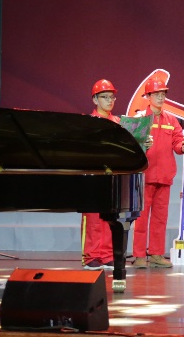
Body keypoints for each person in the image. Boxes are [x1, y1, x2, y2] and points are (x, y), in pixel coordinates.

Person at [130, 78, 184, 268]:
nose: (161, 97)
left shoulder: (171, 120)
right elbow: (131, 145)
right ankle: (139, 255)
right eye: (157, 94)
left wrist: (182, 146)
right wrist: (141, 144)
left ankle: (156, 254)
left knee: (160, 219)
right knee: (141, 218)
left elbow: (177, 141)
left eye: (163, 94)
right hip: (144, 176)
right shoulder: (140, 119)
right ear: (148, 96)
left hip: (164, 176)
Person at [82, 80, 120, 270]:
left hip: (113, 176)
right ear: (95, 99)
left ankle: (107, 255)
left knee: (109, 217)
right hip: (93, 176)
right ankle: (91, 257)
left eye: (112, 97)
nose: (109, 100)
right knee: (93, 219)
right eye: (105, 97)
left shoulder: (118, 122)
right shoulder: (88, 122)